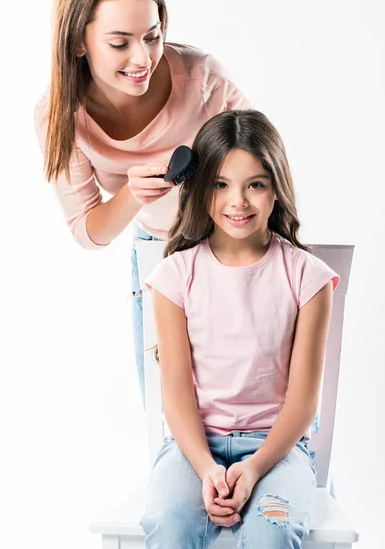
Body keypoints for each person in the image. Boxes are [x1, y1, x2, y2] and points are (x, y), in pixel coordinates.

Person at [34, 0, 251, 408]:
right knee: (166, 410)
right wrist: (133, 194)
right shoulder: (60, 115)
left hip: (235, 247)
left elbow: (263, 173)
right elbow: (87, 231)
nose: (142, 58)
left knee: (256, 403)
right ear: (78, 43)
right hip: (155, 252)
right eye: (119, 43)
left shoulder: (205, 80)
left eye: (152, 37)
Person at [140, 109, 340, 548]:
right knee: (171, 523)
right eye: (220, 184)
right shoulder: (175, 276)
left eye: (255, 184)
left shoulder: (308, 277)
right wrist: (208, 468)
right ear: (201, 189)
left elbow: (303, 403)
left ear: (276, 189)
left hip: (279, 449)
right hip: (194, 447)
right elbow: (176, 395)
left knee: (273, 531)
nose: (239, 201)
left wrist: (253, 468)